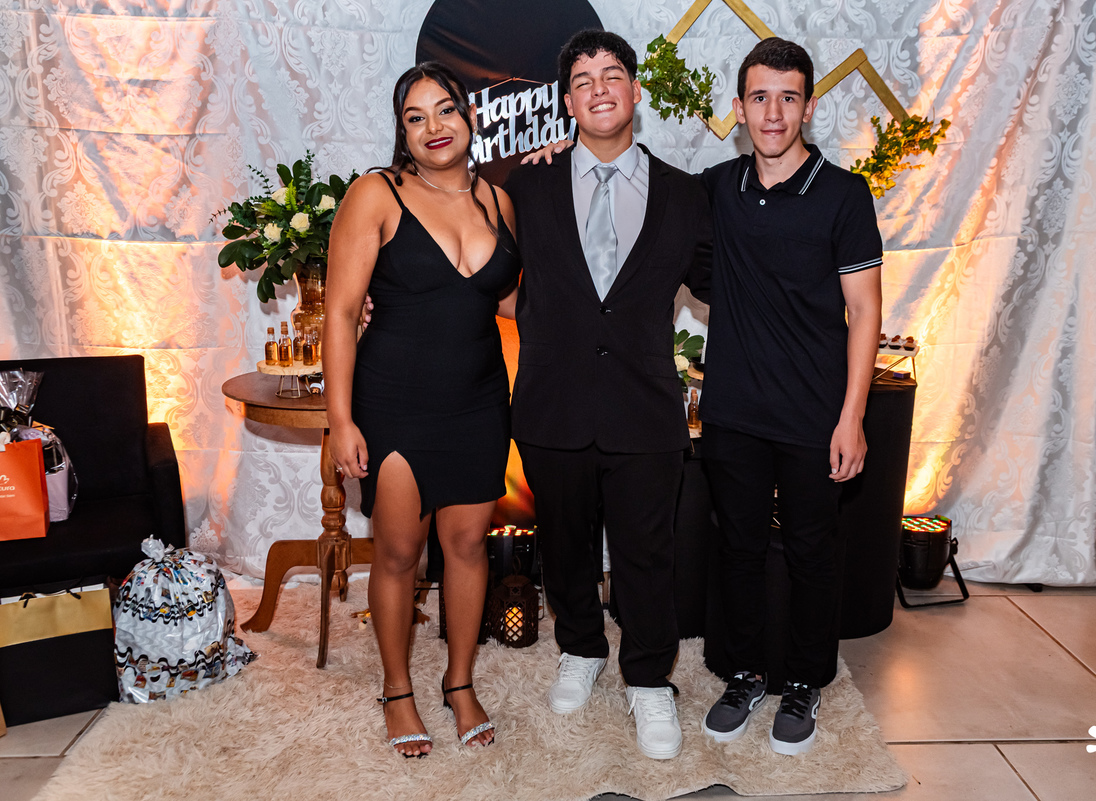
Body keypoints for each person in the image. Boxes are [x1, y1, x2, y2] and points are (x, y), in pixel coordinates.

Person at [503, 29, 712, 760]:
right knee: (563, 543)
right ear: (567, 101)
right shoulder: (525, 186)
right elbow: (478, 270)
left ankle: (649, 678)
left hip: (644, 407)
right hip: (551, 402)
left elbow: (726, 286)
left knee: (646, 553)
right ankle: (580, 646)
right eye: (583, 79)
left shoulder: (686, 194)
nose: (599, 88)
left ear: (635, 91)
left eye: (612, 74)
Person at [324, 62, 520, 758]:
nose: (434, 126)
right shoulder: (376, 194)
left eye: (446, 110)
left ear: (470, 117)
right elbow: (341, 313)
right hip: (395, 402)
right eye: (416, 116)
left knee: (467, 546)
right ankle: (397, 687)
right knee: (400, 552)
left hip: (479, 401)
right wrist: (341, 420)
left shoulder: (498, 201)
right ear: (401, 132)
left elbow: (507, 301)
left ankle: (459, 680)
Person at [697, 38, 883, 756]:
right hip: (734, 412)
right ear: (739, 108)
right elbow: (635, 189)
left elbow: (864, 310)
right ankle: (743, 673)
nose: (772, 113)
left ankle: (805, 681)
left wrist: (852, 417)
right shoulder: (716, 188)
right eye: (759, 97)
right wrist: (556, 155)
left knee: (812, 552)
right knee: (738, 548)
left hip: (814, 414)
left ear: (808, 106)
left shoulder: (843, 194)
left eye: (788, 97)